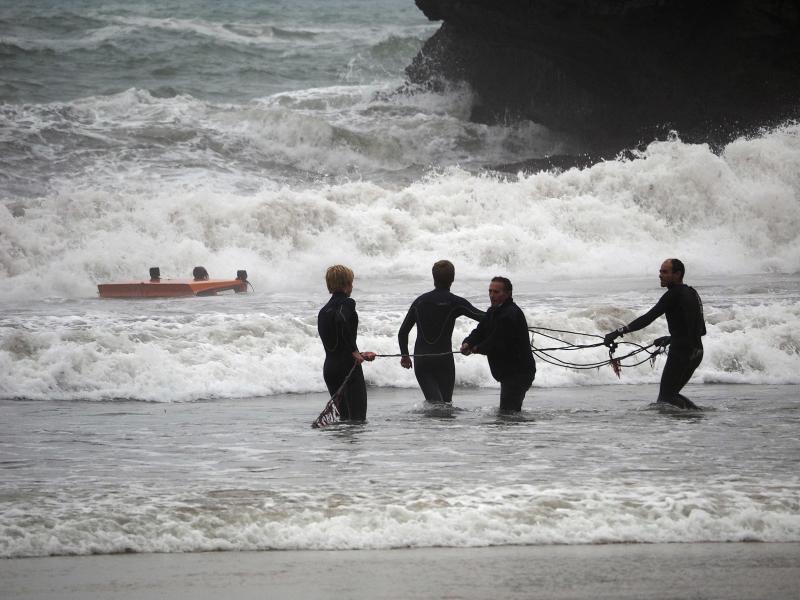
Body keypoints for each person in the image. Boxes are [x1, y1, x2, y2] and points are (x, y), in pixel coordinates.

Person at [603, 258, 706, 410]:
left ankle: (696, 414)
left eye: (665, 272)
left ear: (677, 274)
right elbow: (700, 330)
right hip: (696, 351)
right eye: (660, 271)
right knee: (670, 395)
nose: (660, 275)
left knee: (666, 398)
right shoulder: (692, 293)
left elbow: (648, 318)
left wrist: (619, 332)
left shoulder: (673, 294)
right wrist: (671, 338)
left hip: (682, 352)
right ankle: (696, 414)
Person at [398, 260, 485, 404]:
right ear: (453, 278)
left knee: (436, 405)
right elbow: (483, 318)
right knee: (445, 405)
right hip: (444, 359)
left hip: (422, 360)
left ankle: (431, 427)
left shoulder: (419, 302)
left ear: (433, 277)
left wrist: (405, 355)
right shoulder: (455, 302)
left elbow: (403, 332)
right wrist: (503, 314)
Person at [460, 276, 536, 412]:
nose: (491, 295)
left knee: (508, 414)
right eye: (490, 291)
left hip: (519, 372)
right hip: (508, 372)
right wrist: (468, 343)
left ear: (508, 294)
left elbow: (496, 341)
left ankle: (518, 432)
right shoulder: (493, 311)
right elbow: (480, 331)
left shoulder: (510, 314)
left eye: (496, 292)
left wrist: (477, 348)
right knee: (509, 414)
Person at [317, 265, 375, 421]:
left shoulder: (323, 311)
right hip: (347, 369)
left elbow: (338, 342)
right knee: (357, 421)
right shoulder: (347, 303)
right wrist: (355, 351)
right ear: (347, 283)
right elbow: (341, 320)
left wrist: (357, 352)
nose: (353, 286)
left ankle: (341, 447)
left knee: (344, 421)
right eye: (351, 282)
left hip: (330, 369)